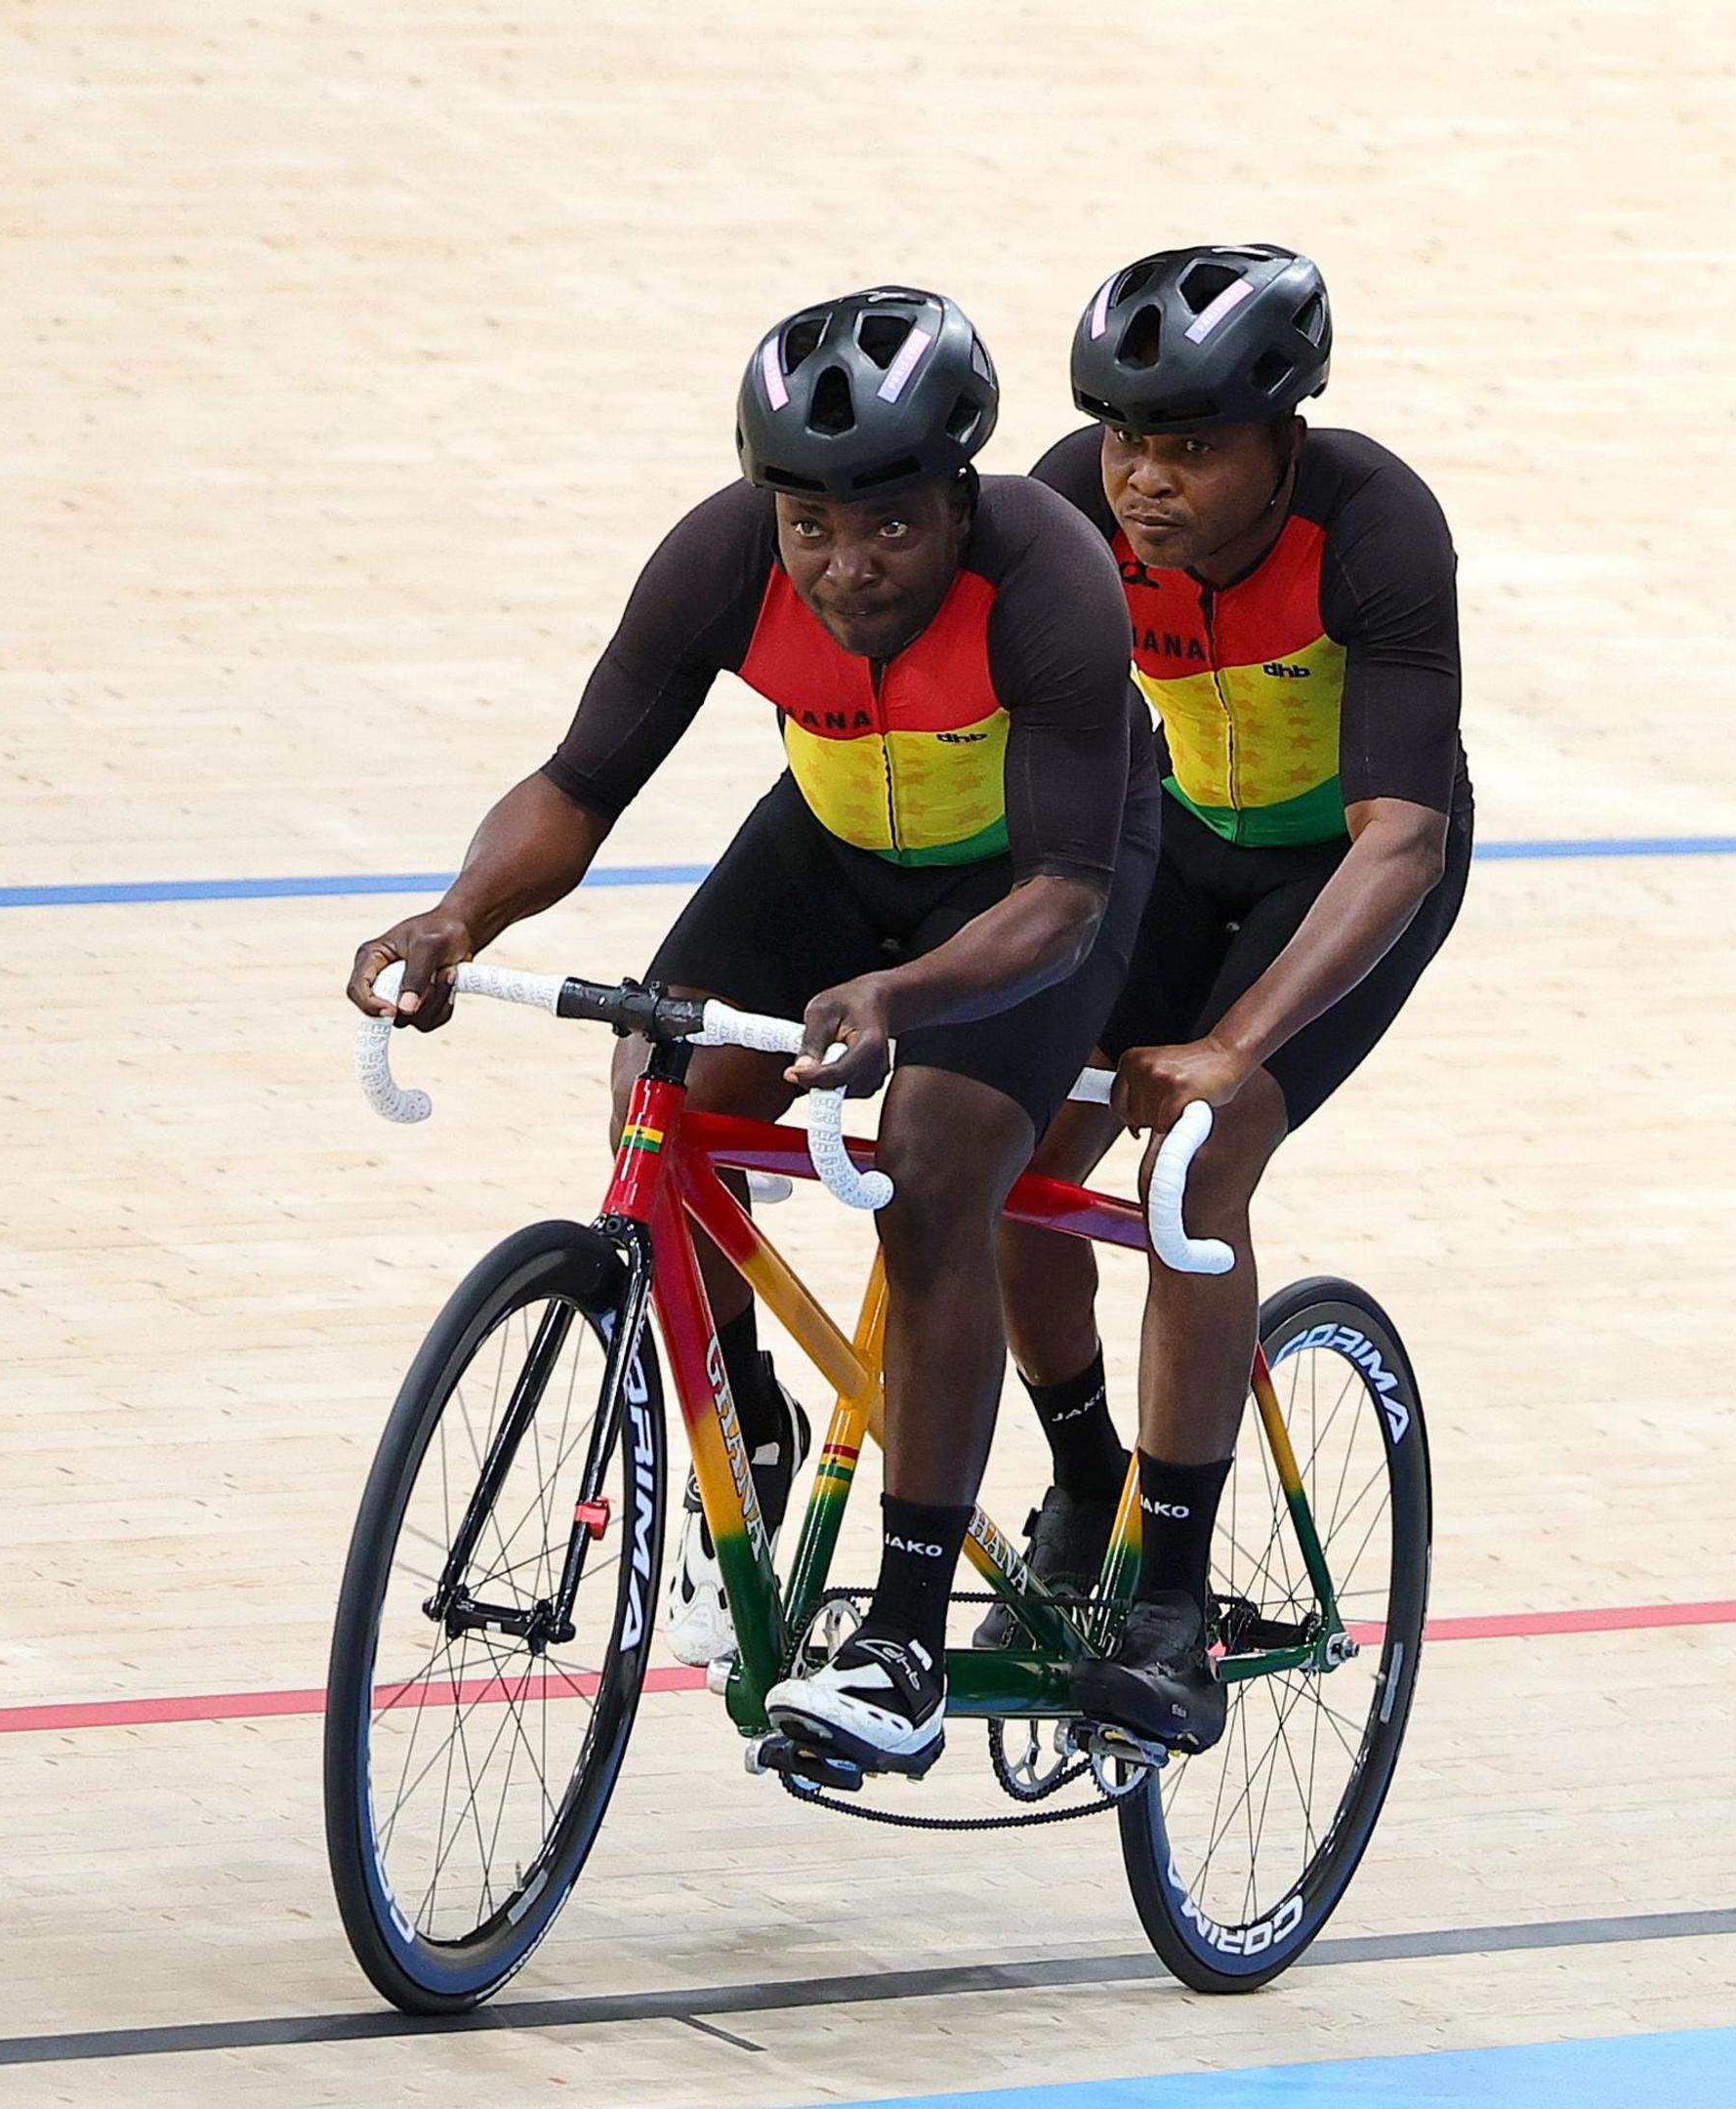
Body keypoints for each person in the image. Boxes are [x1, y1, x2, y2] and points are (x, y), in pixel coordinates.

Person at [348, 287, 1159, 1777]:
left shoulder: (1050, 580)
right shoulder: (722, 556)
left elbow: (1057, 896)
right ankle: (756, 1430)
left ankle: (905, 1635)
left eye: (892, 530)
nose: (847, 568)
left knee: (934, 1169)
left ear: (961, 497)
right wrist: (458, 916)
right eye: (813, 530)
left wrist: (904, 1001)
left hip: (1036, 881)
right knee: (664, 1081)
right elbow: (578, 785)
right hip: (832, 848)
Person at [990, 246, 1474, 1753]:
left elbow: (1400, 834)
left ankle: (1173, 1610)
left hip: (1341, 876)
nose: (1144, 479)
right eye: (1130, 440)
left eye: (1191, 449)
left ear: (1286, 441)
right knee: (1002, 1171)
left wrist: (1231, 1044)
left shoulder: (1375, 527)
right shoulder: (1066, 501)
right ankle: (1083, 1489)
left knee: (1193, 1168)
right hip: (1176, 845)